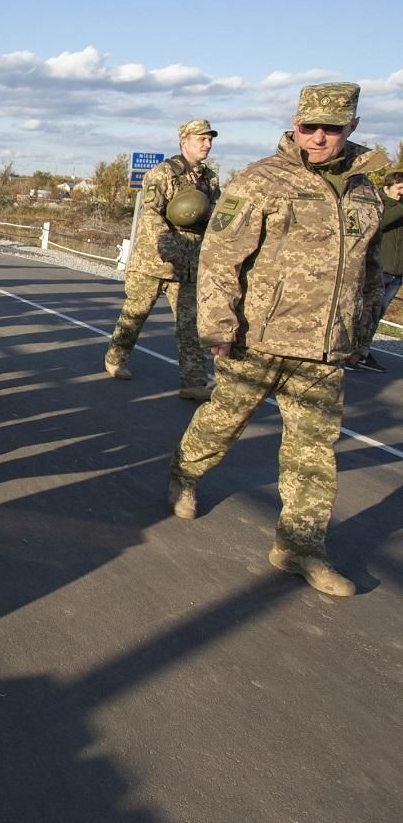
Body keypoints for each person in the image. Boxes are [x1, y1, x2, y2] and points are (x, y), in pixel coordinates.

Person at [168, 83, 388, 598]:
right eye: (307, 126)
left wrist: (360, 334)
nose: (316, 138)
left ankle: (300, 546)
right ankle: (184, 474)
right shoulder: (262, 180)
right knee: (223, 423)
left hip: (323, 351)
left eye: (330, 129)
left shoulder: (363, 190)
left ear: (351, 128)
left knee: (314, 454)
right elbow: (221, 256)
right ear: (294, 123)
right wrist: (218, 327)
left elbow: (369, 272)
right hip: (256, 340)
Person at [104, 120, 222, 401]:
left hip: (191, 263)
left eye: (209, 139)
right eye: (201, 139)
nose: (207, 144)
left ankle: (193, 382)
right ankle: (116, 358)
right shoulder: (164, 173)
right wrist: (169, 248)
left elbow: (218, 215)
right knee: (135, 313)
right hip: (155, 261)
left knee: (190, 324)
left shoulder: (210, 178)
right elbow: (151, 215)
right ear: (184, 141)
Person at [352, 170, 403, 372]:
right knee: (363, 311)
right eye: (400, 188)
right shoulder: (378, 203)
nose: (402, 192)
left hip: (396, 272)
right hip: (377, 270)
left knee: (376, 314)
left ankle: (362, 352)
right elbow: (380, 223)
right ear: (387, 187)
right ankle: (350, 352)